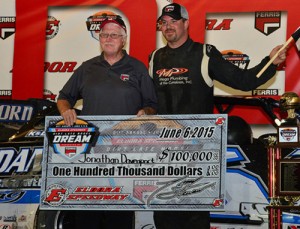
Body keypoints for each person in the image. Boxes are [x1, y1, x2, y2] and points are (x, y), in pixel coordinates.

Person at [148, 3, 288, 229]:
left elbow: (244, 81)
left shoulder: (205, 53)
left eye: (174, 21)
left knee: (195, 216)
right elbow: (148, 100)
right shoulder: (154, 57)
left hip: (199, 152)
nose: (168, 26)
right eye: (163, 22)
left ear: (186, 23)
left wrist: (271, 62)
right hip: (164, 150)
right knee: (164, 215)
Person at [57, 15, 157, 229]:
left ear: (124, 39)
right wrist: (66, 111)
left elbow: (152, 104)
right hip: (90, 153)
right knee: (86, 211)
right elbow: (64, 96)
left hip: (125, 153)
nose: (108, 38)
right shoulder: (87, 68)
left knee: (118, 213)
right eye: (104, 35)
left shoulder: (137, 69)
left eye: (114, 35)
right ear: (99, 38)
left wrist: (145, 112)